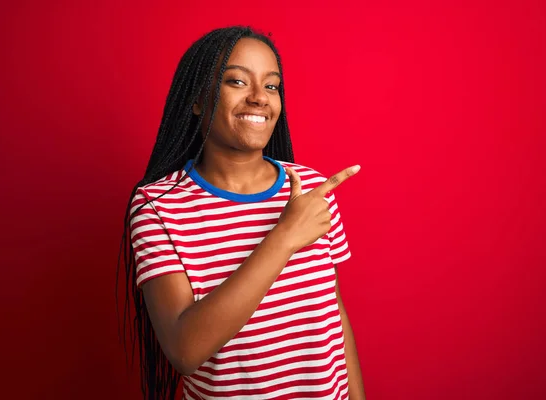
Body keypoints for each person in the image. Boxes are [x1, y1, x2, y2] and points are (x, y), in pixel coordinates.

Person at [118, 26, 365, 400]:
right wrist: (283, 237)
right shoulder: (156, 206)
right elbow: (185, 350)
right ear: (198, 99)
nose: (259, 99)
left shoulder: (313, 189)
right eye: (237, 81)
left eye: (271, 86)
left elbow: (333, 315)